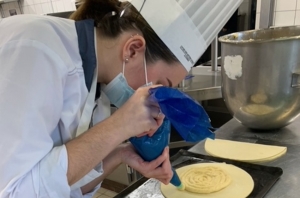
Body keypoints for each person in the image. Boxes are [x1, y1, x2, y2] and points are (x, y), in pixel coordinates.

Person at [0, 0, 242, 197]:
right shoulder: (35, 48)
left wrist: (123, 154)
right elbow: (15, 191)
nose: (159, 103)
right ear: (133, 49)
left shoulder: (99, 92)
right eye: (161, 86)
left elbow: (65, 187)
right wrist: (120, 125)